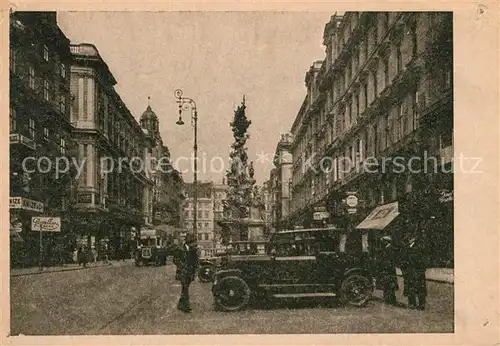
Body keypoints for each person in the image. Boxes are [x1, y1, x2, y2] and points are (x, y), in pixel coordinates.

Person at [400, 233, 428, 310]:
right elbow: (403, 259)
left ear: (413, 239)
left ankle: (421, 304)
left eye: (410, 239)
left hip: (417, 271)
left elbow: (422, 260)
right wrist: (403, 269)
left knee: (420, 288)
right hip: (409, 272)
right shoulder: (406, 248)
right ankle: (412, 303)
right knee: (410, 288)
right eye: (408, 239)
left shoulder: (419, 247)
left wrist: (421, 270)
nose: (408, 240)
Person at [173, 234, 199, 313]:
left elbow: (195, 261)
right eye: (193, 243)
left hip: (189, 272)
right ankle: (186, 307)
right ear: (189, 242)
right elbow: (175, 260)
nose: (195, 244)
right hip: (183, 272)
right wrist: (182, 266)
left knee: (185, 289)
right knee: (185, 288)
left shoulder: (192, 250)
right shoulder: (180, 249)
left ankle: (181, 305)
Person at [376, 236, 398, 305]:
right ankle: (387, 299)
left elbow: (390, 260)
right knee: (387, 285)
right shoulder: (385, 248)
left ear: (386, 241)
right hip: (386, 270)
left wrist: (382, 263)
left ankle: (391, 300)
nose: (382, 242)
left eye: (383, 241)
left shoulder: (390, 249)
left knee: (390, 286)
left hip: (389, 270)